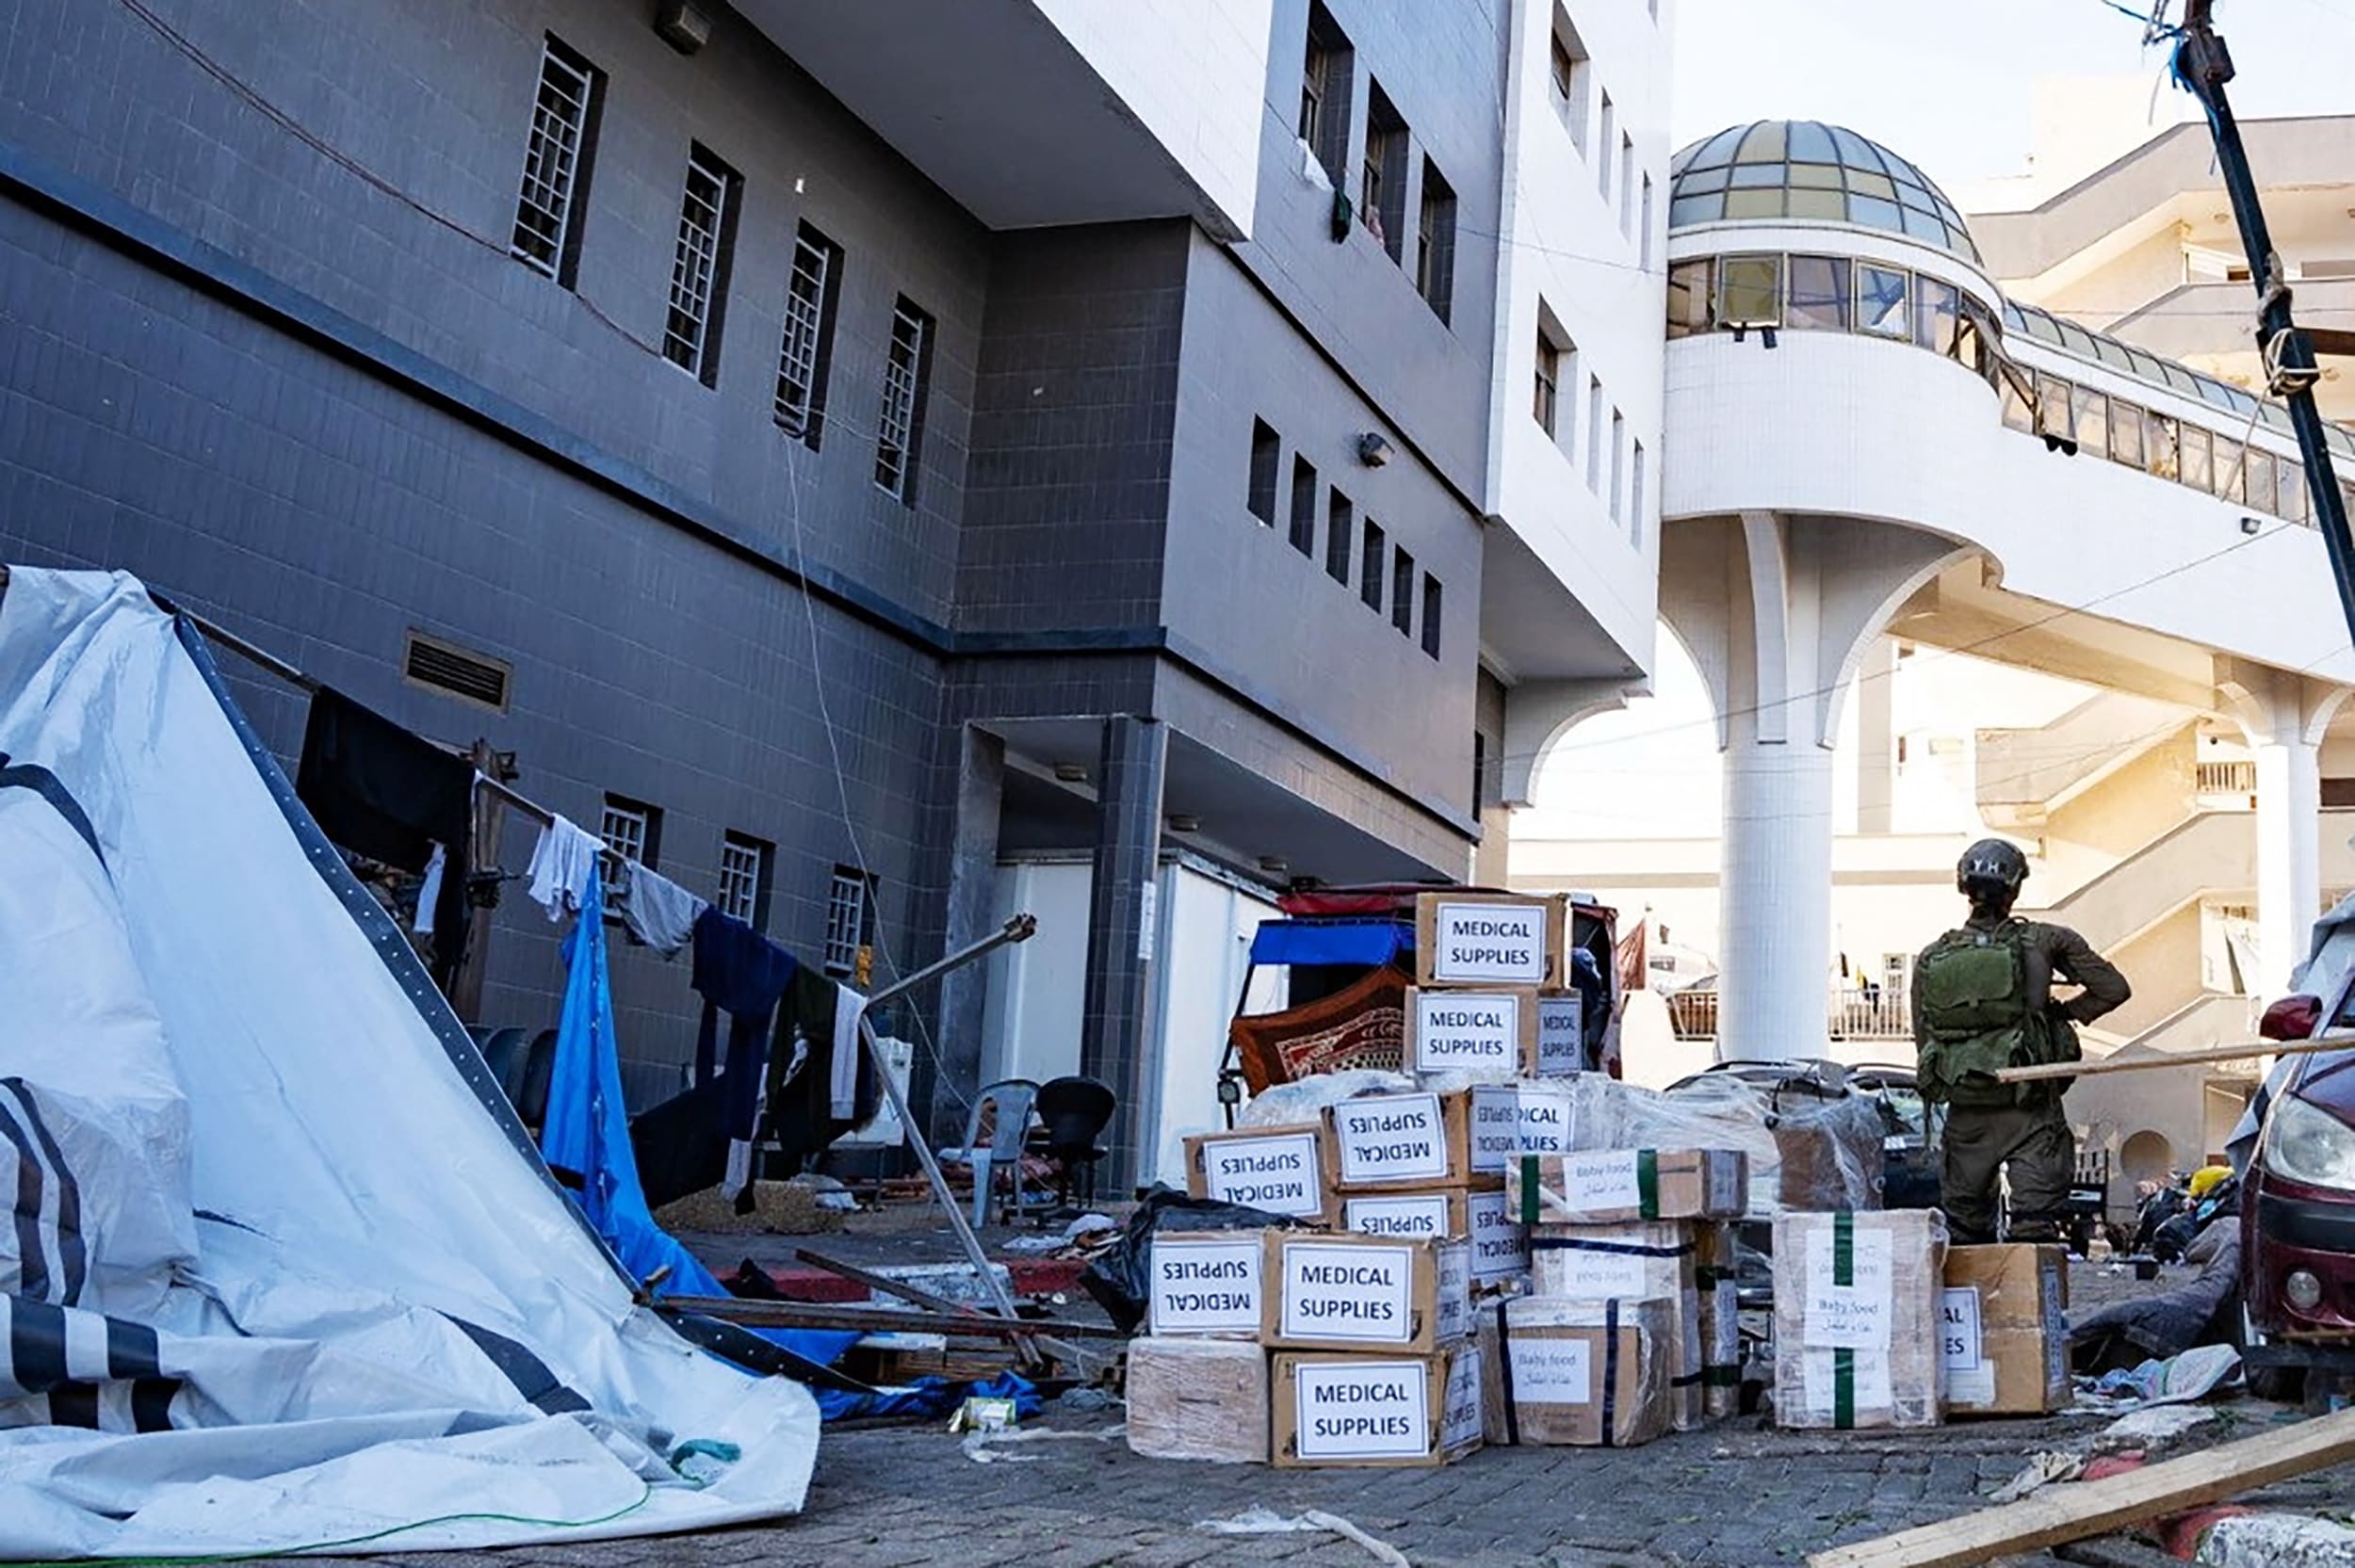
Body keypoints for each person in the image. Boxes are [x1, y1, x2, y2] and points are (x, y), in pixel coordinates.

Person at [1912, 838, 2131, 1244]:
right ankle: (2030, 1305)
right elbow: (2113, 989)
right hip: (2032, 1109)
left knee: (1964, 1233)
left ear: (1964, 887)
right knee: (2034, 1230)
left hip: (1967, 1113)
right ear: (2015, 889)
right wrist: (2061, 1013)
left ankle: (1972, 1306)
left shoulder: (1931, 957)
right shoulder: (2047, 941)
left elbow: (1924, 1041)